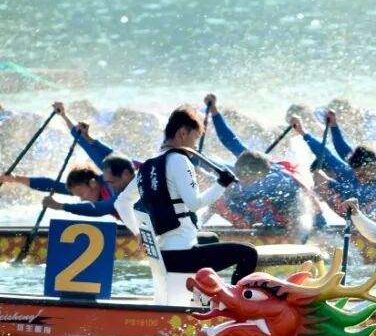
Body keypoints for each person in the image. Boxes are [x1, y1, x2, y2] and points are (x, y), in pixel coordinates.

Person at [115, 106, 258, 284]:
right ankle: (233, 300)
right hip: (182, 255)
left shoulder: (147, 166)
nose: (195, 145)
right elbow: (194, 204)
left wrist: (138, 233)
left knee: (210, 239)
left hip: (162, 254)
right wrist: (221, 184)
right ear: (182, 133)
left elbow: (121, 203)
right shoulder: (180, 160)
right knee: (248, 253)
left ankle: (204, 293)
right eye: (195, 137)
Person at [204, 94, 324, 232]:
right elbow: (229, 140)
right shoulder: (250, 160)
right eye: (240, 176)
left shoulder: (279, 181)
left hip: (298, 215)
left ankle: (271, 235)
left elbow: (308, 209)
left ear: (259, 175)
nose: (241, 180)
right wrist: (214, 111)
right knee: (220, 199)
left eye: (245, 178)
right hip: (272, 210)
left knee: (258, 207)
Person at [291, 115, 376, 225]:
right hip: (370, 213)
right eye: (357, 174)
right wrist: (305, 132)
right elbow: (329, 155)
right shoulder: (357, 173)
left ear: (375, 166)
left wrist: (330, 183)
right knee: (322, 179)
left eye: (362, 174)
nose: (360, 179)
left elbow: (361, 195)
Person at [2, 164, 118, 218]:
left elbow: (98, 210)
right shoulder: (92, 188)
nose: (82, 199)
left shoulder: (113, 187)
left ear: (93, 183)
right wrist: (15, 178)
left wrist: (61, 206)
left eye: (82, 194)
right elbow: (52, 186)